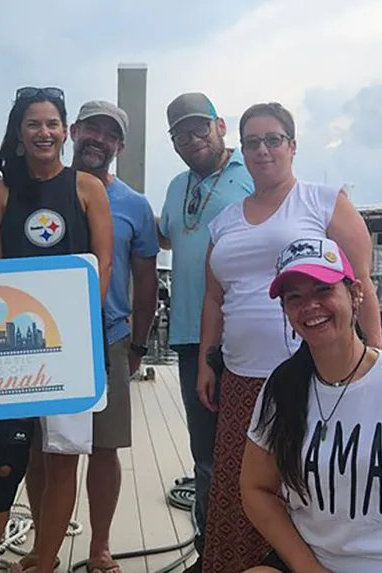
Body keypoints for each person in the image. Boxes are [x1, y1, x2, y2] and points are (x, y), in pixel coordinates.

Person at [197, 102, 382, 573]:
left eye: (273, 139)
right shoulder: (223, 223)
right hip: (241, 379)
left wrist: (378, 359)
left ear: (292, 146)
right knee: (241, 490)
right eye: (253, 142)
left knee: (311, 488)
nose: (263, 150)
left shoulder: (323, 202)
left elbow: (361, 282)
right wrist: (205, 360)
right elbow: (214, 300)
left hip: (311, 378)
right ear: (242, 150)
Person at [241, 236, 382, 573]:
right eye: (295, 298)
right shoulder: (281, 389)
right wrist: (309, 568)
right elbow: (256, 488)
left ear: (355, 293)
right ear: (286, 311)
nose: (310, 306)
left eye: (322, 290)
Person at [0, 87, 114, 573]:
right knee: (4, 459)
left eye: (53, 124)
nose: (44, 133)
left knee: (62, 458)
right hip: (12, 350)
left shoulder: (87, 189)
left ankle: (44, 560)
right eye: (34, 124)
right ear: (18, 132)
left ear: (65, 131)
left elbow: (104, 267)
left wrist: (74, 333)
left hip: (73, 349)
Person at [21, 99, 154, 573]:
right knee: (40, 448)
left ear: (120, 145)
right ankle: (43, 547)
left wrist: (138, 344)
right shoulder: (33, 189)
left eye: (110, 134)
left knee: (104, 446)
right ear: (74, 131)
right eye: (91, 130)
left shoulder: (135, 205)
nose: (99, 139)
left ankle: (99, 547)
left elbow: (146, 283)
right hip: (39, 342)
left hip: (107, 338)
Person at [155, 92, 254, 571]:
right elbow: (165, 235)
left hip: (249, 337)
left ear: (221, 126)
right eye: (180, 133)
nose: (192, 140)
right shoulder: (176, 187)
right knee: (207, 454)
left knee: (256, 450)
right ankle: (210, 552)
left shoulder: (253, 173)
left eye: (200, 129)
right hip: (192, 340)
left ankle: (260, 552)